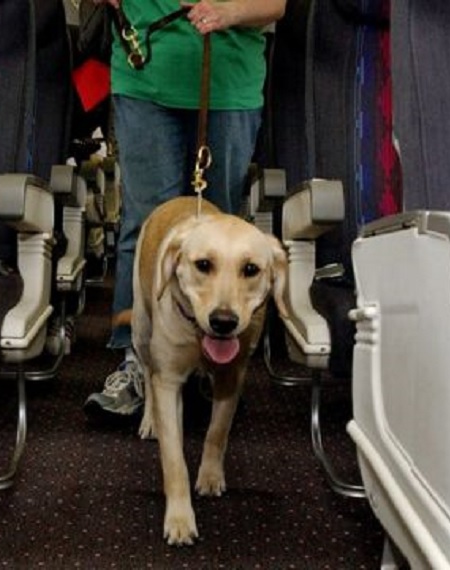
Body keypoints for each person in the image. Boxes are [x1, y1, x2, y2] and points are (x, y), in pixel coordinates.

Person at [84, 0, 286, 419]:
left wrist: (229, 12)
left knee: (222, 232)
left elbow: (276, 5)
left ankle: (211, 366)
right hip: (144, 73)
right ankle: (136, 364)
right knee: (144, 228)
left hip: (229, 81)